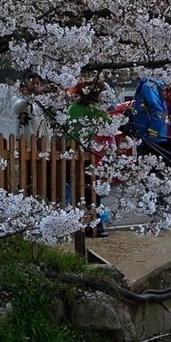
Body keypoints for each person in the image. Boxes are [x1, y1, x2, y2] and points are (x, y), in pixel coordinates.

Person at [67, 82, 113, 237]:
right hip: (89, 154)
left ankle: (78, 224)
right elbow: (110, 125)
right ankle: (95, 226)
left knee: (77, 192)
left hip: (71, 152)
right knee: (93, 193)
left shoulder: (72, 108)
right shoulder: (95, 109)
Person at [131, 76, 171, 164]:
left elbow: (158, 110)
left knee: (148, 168)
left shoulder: (148, 86)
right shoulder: (148, 84)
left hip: (150, 134)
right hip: (148, 133)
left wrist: (153, 129)